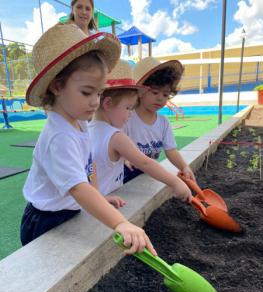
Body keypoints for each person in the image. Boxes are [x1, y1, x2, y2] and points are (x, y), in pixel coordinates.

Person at [20, 24, 156, 256]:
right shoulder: (59, 136)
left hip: (68, 209)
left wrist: (100, 195)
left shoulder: (80, 121)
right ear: (57, 86)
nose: (95, 101)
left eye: (99, 93)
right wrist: (120, 223)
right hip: (45, 220)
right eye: (86, 92)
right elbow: (79, 188)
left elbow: (88, 166)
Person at [88, 59, 192, 203]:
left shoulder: (85, 130)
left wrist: (97, 196)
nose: (130, 113)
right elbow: (145, 163)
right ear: (108, 104)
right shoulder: (116, 134)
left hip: (95, 199)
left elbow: (89, 169)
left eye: (165, 95)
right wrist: (176, 183)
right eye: (128, 108)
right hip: (110, 193)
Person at [123, 57, 195, 183]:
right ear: (140, 92)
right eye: (155, 92)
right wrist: (124, 158)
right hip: (125, 173)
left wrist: (184, 167)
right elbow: (115, 144)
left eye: (165, 94)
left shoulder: (163, 122)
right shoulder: (128, 118)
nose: (160, 98)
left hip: (149, 173)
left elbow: (171, 150)